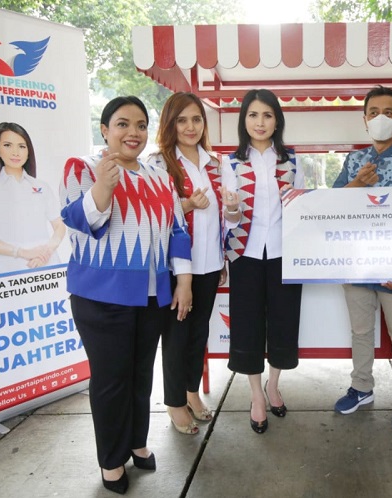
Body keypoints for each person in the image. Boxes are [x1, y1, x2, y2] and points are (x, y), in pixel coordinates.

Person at [59, 96, 193, 494]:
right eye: (122, 124)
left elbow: (178, 229)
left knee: (139, 376)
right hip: (102, 297)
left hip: (151, 296)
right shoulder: (82, 167)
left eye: (139, 125)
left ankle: (137, 442)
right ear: (104, 129)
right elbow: (81, 221)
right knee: (111, 380)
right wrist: (103, 183)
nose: (132, 132)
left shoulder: (159, 175)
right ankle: (111, 460)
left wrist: (183, 280)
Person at [332, 85, 392, 433]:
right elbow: (333, 204)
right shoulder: (354, 161)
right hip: (356, 262)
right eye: (374, 112)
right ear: (364, 120)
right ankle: (361, 388)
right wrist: (358, 183)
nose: (380, 119)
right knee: (361, 331)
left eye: (389, 113)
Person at [220, 89, 304, 434]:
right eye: (253, 115)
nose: (260, 122)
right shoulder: (230, 162)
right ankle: (256, 396)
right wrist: (232, 208)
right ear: (244, 120)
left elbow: (300, 209)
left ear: (277, 120)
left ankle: (274, 384)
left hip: (285, 254)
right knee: (248, 325)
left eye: (267, 115)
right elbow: (228, 218)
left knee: (283, 322)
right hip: (245, 254)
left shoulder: (291, 159)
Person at [147, 92, 228, 435]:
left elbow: (224, 213)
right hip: (175, 266)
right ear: (170, 123)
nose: (190, 127)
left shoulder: (216, 163)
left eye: (196, 119)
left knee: (198, 333)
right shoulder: (158, 163)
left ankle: (192, 392)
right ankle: (174, 403)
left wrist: (223, 255)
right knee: (177, 335)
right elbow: (150, 216)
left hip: (210, 262)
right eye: (182, 120)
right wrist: (187, 205)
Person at [0, 122, 65, 275]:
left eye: (22, 146)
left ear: (28, 152)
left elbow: (60, 226)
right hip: (8, 272)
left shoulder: (42, 186)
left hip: (47, 266)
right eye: (8, 145)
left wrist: (46, 252)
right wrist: (22, 252)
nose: (15, 152)